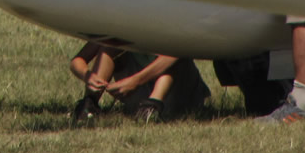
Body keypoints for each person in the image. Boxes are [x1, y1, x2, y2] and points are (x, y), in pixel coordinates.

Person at [69, 42, 209, 124]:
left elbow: (178, 51)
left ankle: (151, 108)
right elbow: (77, 61)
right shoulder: (119, 25)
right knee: (108, 48)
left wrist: (135, 81)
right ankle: (89, 104)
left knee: (173, 56)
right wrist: (88, 76)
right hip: (137, 92)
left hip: (180, 95)